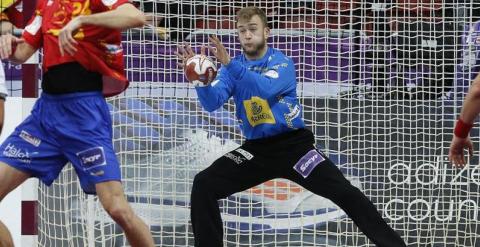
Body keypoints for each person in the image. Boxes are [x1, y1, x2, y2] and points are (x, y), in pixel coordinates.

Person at [177, 6, 406, 247]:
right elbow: (213, 103)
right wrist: (200, 81)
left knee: (345, 192)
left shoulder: (282, 63)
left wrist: (230, 65)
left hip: (295, 149)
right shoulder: (231, 70)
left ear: (266, 32)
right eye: (241, 30)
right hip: (256, 151)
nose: (246, 35)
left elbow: (264, 88)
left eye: (252, 29)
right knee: (204, 184)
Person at [0, 0, 155, 245]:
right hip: (45, 118)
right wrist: (7, 44)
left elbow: (134, 17)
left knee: (117, 209)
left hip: (85, 117)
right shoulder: (45, 3)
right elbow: (23, 52)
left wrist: (83, 20)